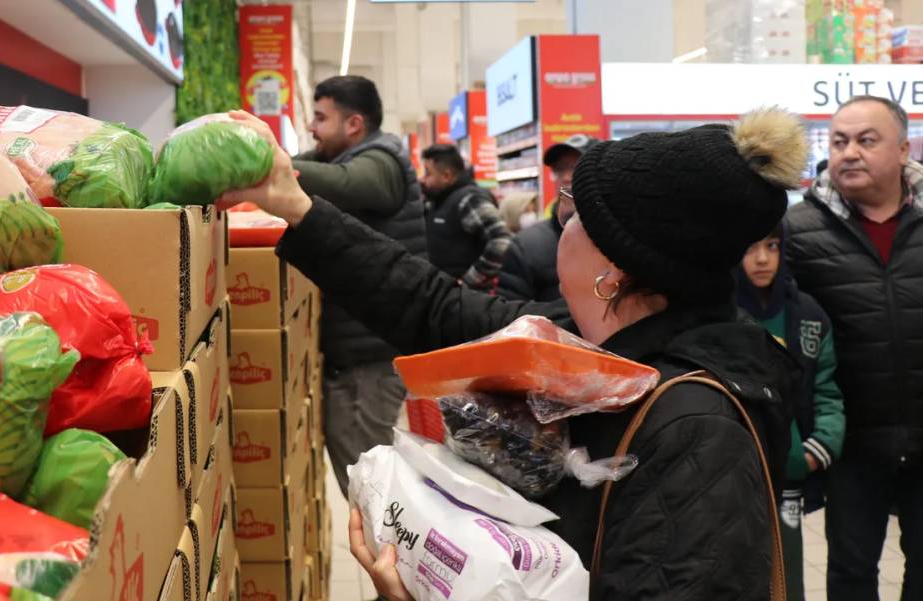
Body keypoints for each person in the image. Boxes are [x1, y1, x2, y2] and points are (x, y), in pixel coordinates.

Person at [221, 106, 806, 599]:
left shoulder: (698, 428)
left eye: (576, 214)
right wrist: (293, 204)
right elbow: (433, 310)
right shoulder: (567, 339)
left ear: (615, 270)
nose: (558, 220)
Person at [784, 95, 923, 600]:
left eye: (867, 141)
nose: (849, 153)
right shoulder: (799, 231)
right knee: (850, 571)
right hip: (851, 440)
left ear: (903, 149)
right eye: (839, 141)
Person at [291, 75, 426, 495]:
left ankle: (391, 559)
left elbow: (350, 184)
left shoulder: (383, 159)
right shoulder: (341, 156)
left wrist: (269, 168)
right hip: (361, 348)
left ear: (353, 125)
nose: (312, 128)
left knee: (367, 482)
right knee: (360, 471)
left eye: (320, 118)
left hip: (372, 355)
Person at [735, 224, 846, 601]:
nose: (763, 258)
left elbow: (829, 389)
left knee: (788, 575)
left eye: (772, 246)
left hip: (790, 481)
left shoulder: (809, 316)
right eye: (751, 247)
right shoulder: (722, 318)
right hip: (733, 474)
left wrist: (816, 451)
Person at [497, 135, 598, 302]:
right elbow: (512, 314)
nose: (565, 177)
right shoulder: (526, 245)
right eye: (559, 169)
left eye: (576, 167)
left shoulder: (623, 235)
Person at [420, 144, 512, 289]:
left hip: (469, 300)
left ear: (446, 176)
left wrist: (469, 281)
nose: (423, 179)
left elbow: (502, 241)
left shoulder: (469, 199)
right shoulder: (438, 200)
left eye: (427, 173)